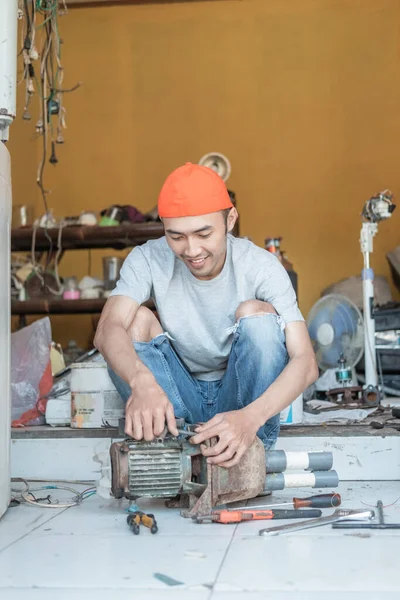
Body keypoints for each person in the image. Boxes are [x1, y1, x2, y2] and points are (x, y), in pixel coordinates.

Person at [94, 163, 318, 468]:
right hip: (175, 396)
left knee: (259, 318)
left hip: (238, 402)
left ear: (230, 219)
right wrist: (140, 380)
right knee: (133, 322)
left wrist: (249, 418)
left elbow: (306, 362)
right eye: (176, 237)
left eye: (203, 233)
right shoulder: (147, 258)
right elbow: (107, 328)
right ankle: (169, 450)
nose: (191, 250)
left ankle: (248, 448)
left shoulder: (262, 266)